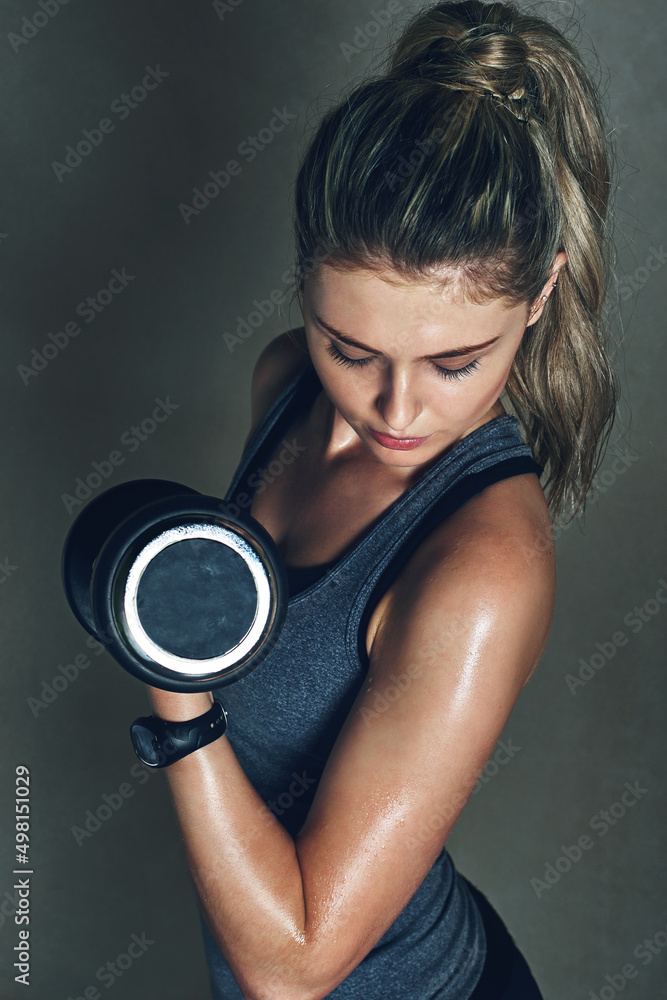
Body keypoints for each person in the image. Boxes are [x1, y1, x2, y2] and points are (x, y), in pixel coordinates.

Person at [144, 2, 619, 997]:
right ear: (304, 288)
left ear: (538, 296)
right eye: (350, 348)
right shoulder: (283, 387)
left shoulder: (485, 567)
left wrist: (174, 694)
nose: (393, 409)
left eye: (456, 362)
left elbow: (296, 965)